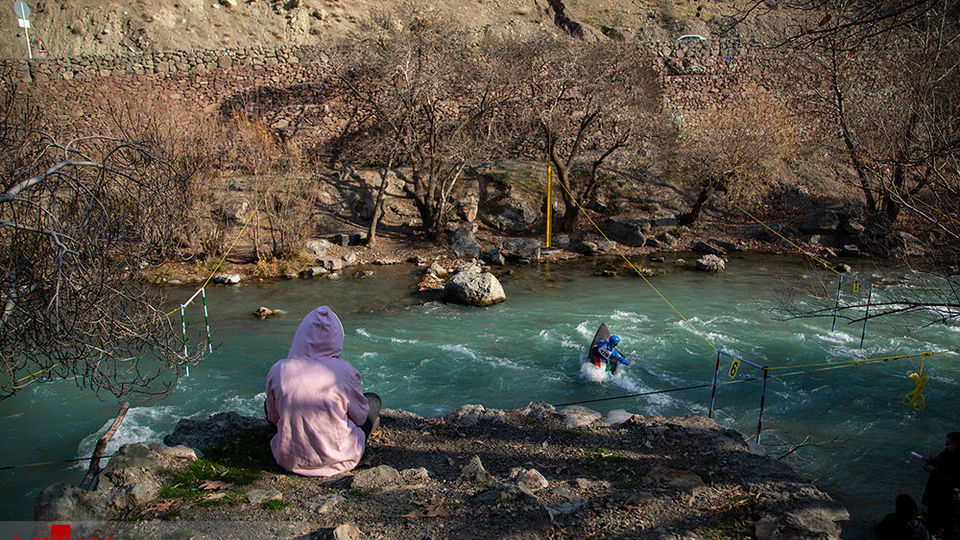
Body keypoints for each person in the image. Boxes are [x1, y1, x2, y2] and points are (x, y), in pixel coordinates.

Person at [265, 306, 381, 476]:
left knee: (272, 402)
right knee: (372, 400)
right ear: (337, 337)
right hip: (342, 458)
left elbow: (273, 418)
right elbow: (360, 417)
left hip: (289, 459)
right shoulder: (343, 371)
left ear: (300, 336)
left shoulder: (278, 369)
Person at [921, 431, 960, 540]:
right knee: (934, 517)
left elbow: (953, 481)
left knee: (944, 522)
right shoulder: (947, 453)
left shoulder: (956, 459)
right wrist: (927, 462)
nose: (946, 446)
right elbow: (936, 461)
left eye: (948, 443)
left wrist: (933, 471)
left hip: (944, 496)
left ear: (956, 444)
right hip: (935, 492)